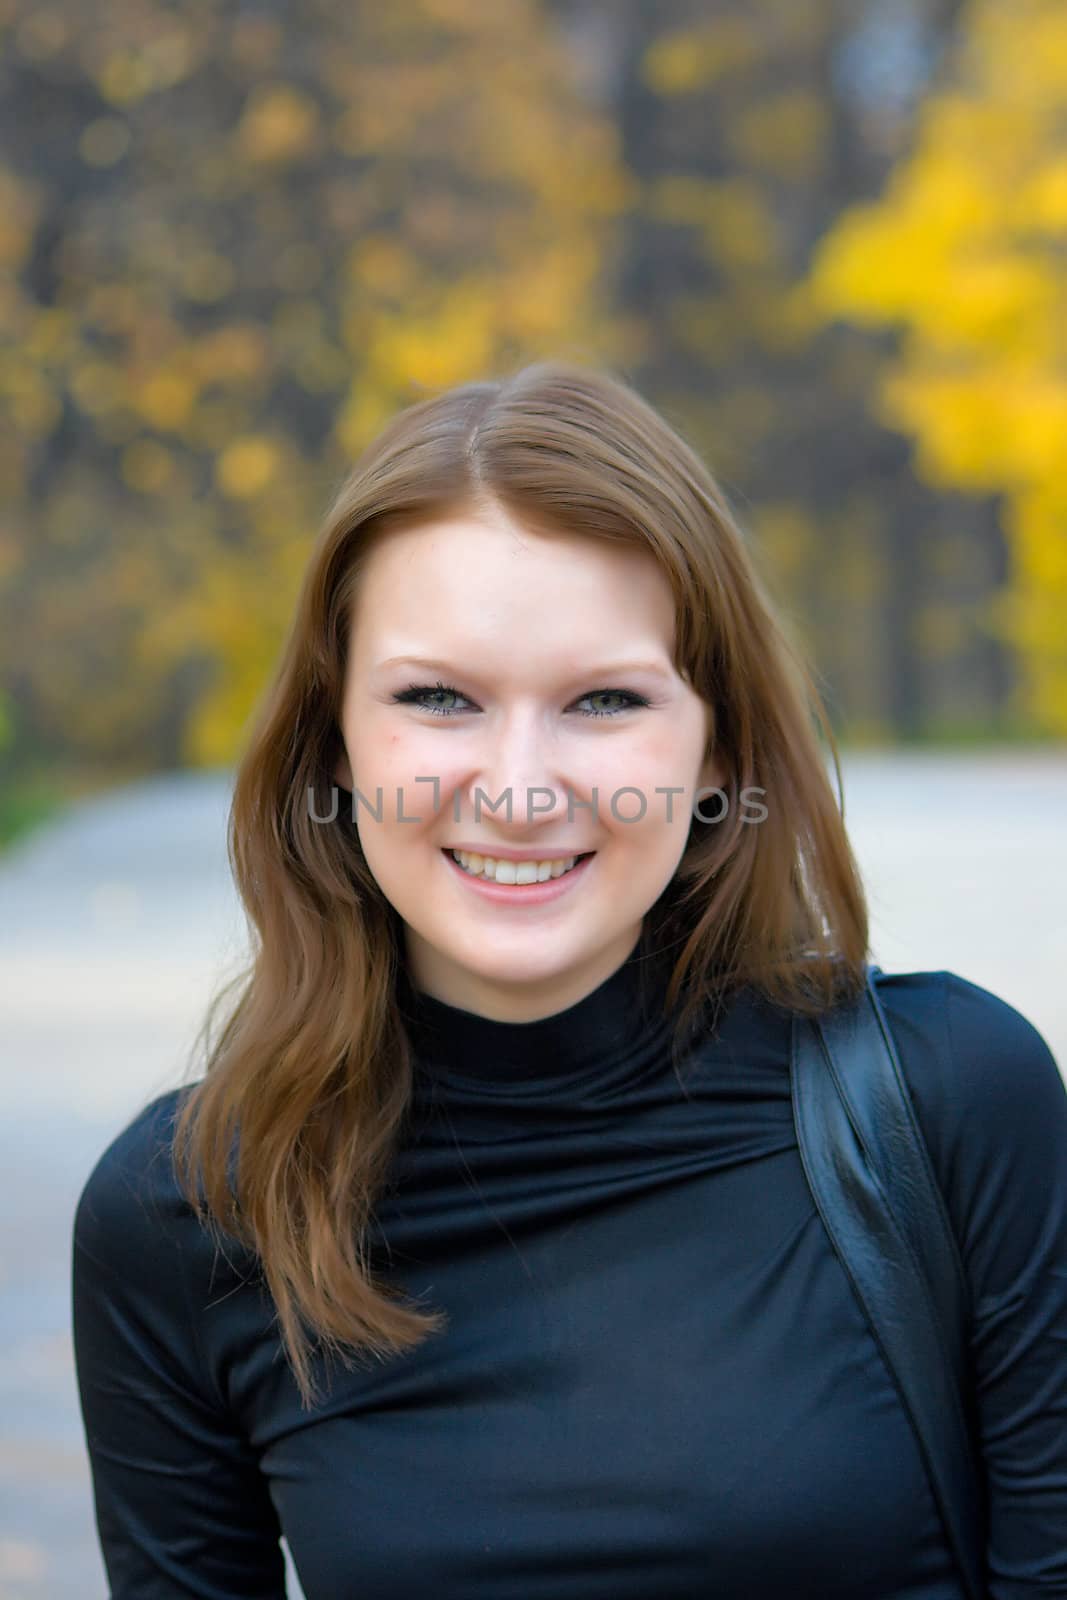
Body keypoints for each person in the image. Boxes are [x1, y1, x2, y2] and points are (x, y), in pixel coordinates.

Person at [72, 361, 1067, 1599]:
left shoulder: (953, 1102)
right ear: (333, 740)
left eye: (603, 700)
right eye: (437, 697)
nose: (523, 788)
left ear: (717, 748)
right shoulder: (191, 1213)